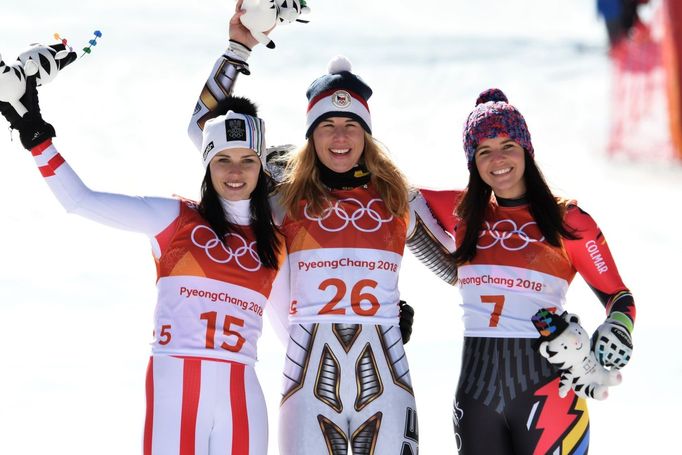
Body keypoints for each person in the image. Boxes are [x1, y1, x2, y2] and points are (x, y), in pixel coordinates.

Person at [187, 5, 456, 453]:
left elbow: (458, 269)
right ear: (310, 133)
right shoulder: (281, 187)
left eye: (352, 125)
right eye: (327, 125)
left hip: (386, 377)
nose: (340, 137)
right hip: (307, 379)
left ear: (367, 133)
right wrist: (237, 50)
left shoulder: (398, 197)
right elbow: (205, 132)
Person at [0, 60, 284, 454]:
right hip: (177, 383)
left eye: (247, 160)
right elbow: (80, 201)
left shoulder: (275, 241)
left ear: (260, 167)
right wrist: (35, 135)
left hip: (243, 391)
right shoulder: (175, 220)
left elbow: (296, 326)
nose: (235, 172)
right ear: (207, 163)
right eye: (223, 159)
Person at [417, 88, 636, 454]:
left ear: (526, 151)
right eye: (483, 151)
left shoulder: (568, 220)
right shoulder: (462, 213)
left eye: (507, 146)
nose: (497, 160)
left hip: (551, 396)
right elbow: (382, 191)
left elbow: (620, 297)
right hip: (477, 399)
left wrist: (618, 328)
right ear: (473, 162)